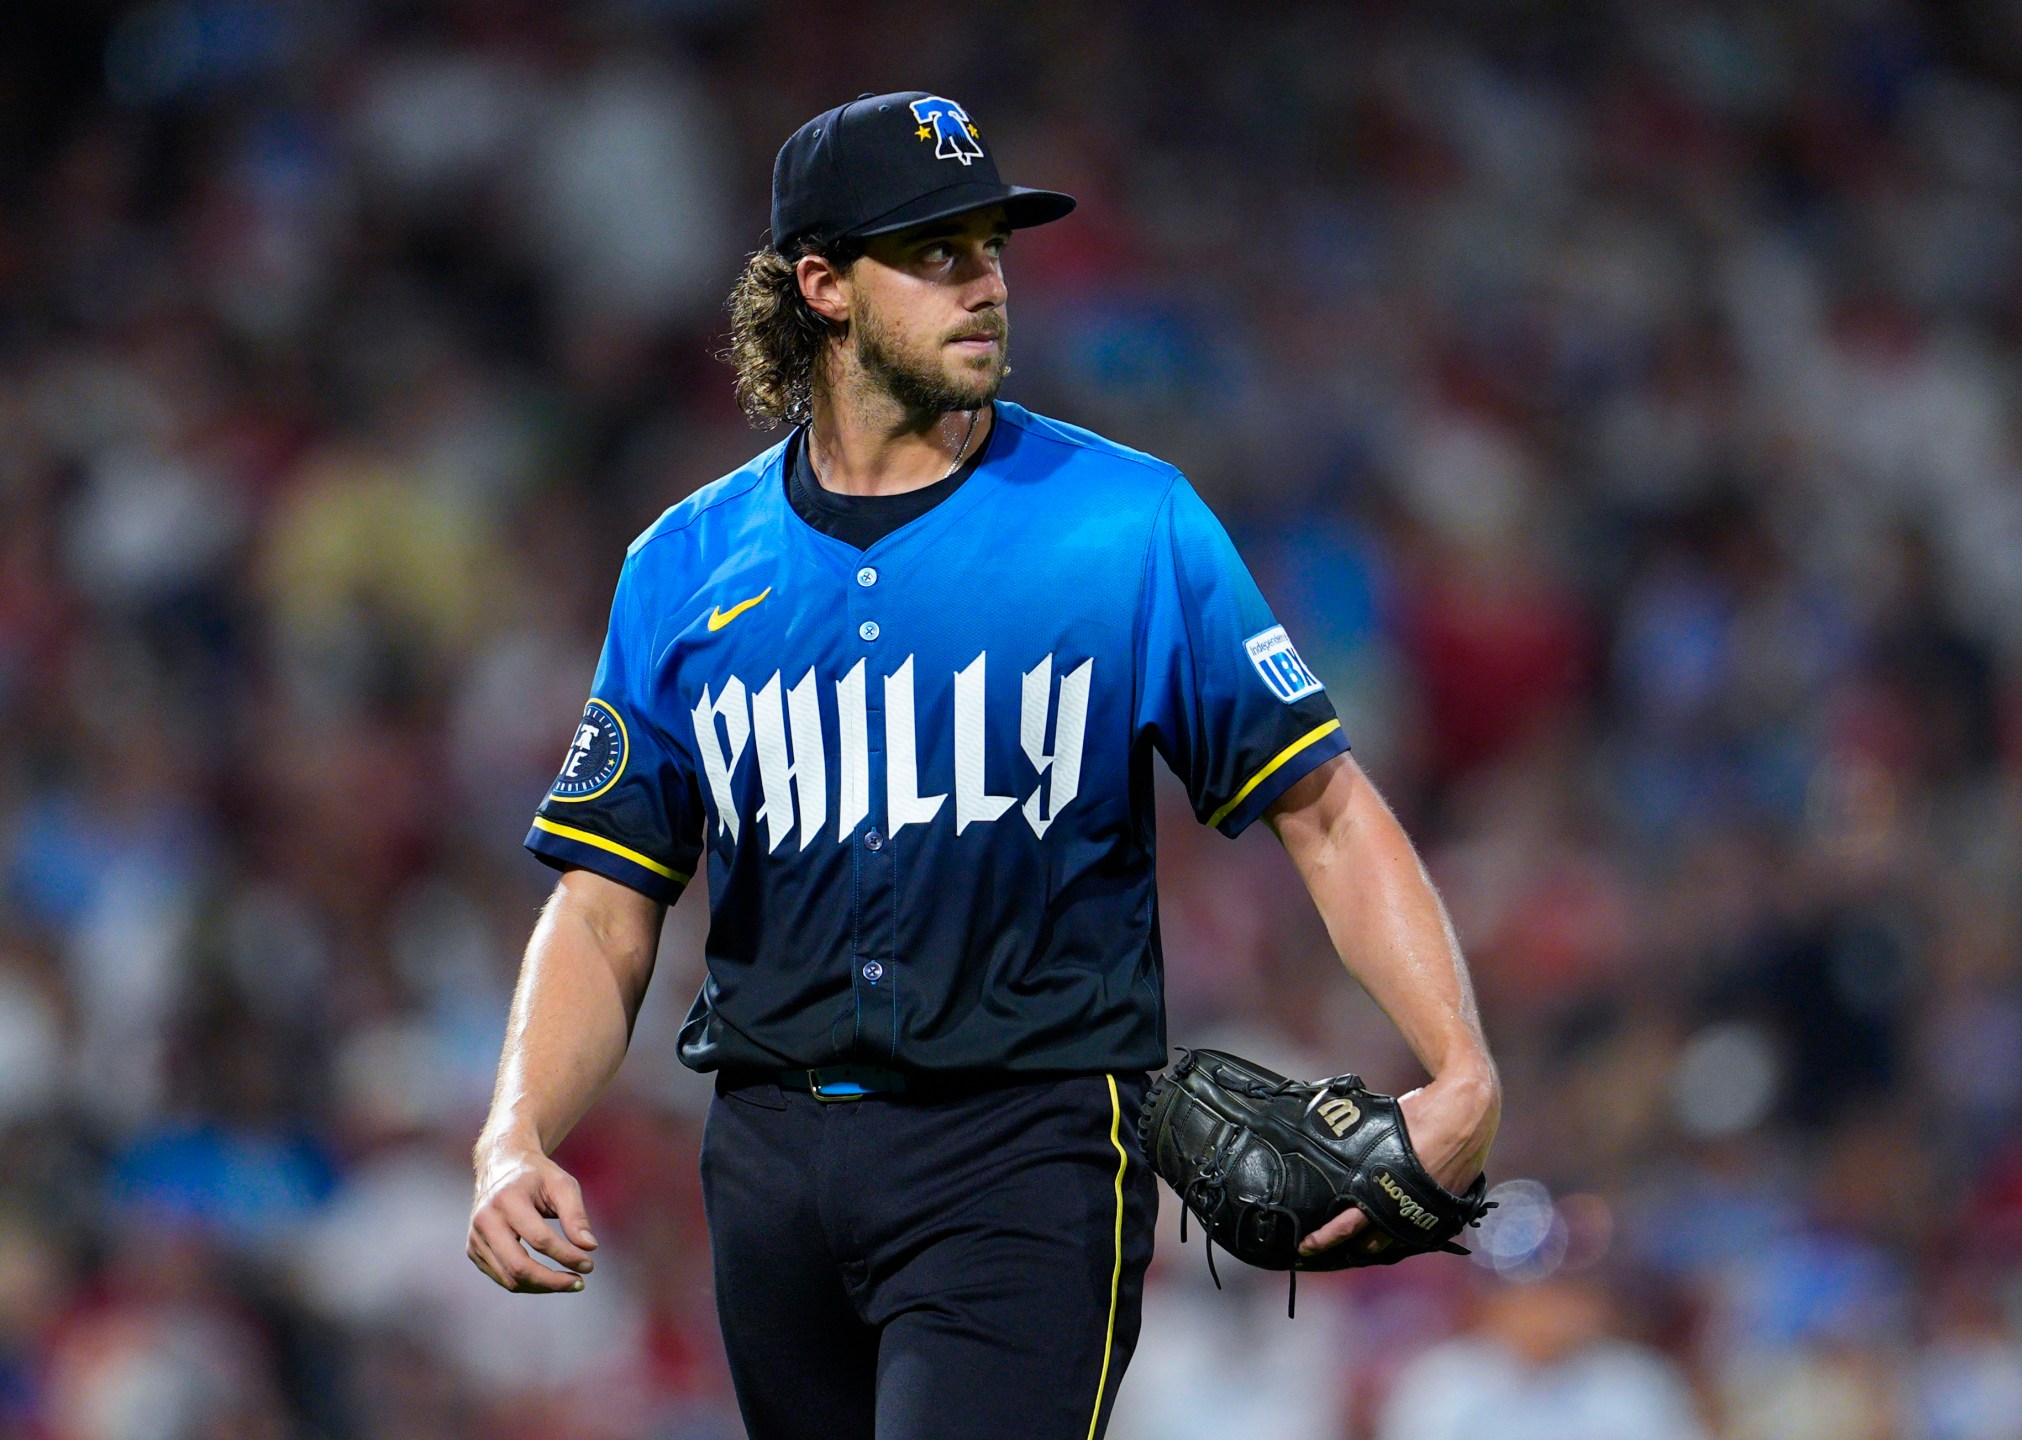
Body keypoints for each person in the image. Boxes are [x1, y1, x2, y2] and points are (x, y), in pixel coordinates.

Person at [461, 92, 1499, 1440]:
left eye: (991, 248)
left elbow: (1326, 811)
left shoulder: (1123, 523)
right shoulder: (685, 565)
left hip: (1027, 1151)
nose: (987, 285)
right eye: (936, 253)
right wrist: (514, 1130)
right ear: (822, 287)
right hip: (771, 1167)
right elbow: (607, 903)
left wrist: (1460, 1064)